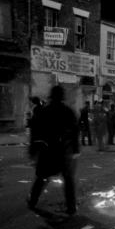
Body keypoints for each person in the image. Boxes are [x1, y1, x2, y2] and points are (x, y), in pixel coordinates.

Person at [27, 86, 79, 215]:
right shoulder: (68, 111)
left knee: (41, 178)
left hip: (48, 150)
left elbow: (35, 132)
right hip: (63, 151)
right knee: (68, 180)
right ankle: (71, 207)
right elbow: (75, 132)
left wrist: (33, 150)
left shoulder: (44, 111)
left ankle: (33, 201)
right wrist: (75, 149)